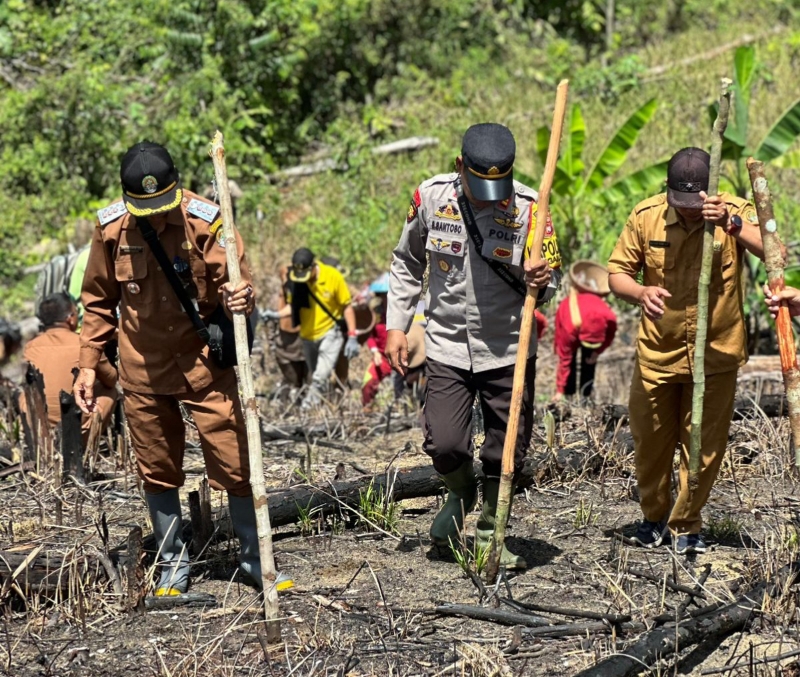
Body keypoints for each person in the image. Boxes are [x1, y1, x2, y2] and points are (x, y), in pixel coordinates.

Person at [74, 141, 261, 596]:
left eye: (162, 204)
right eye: (145, 207)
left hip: (201, 360)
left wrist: (241, 297)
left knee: (235, 460)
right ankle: (172, 565)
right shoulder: (111, 228)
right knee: (156, 467)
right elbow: (98, 303)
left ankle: (256, 560)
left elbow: (237, 282)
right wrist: (86, 366)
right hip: (142, 365)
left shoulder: (206, 218)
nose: (155, 216)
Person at [386, 122, 562, 569]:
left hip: (508, 349)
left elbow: (551, 282)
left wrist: (541, 278)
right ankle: (460, 493)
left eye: (497, 184)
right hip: (446, 343)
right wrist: (396, 327)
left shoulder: (531, 208)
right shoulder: (431, 198)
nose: (490, 195)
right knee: (445, 444)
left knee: (508, 454)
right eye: (480, 183)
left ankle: (490, 529)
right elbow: (406, 263)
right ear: (460, 166)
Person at [607, 147, 764, 554]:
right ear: (668, 191)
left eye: (697, 205)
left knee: (703, 448)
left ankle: (686, 526)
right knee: (651, 442)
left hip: (715, 355)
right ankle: (653, 518)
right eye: (682, 204)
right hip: (658, 353)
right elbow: (616, 274)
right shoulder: (647, 216)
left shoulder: (735, 210)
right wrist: (641, 292)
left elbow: (773, 249)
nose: (691, 212)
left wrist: (729, 224)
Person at [262, 248, 359, 408]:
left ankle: (307, 408)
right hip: (307, 337)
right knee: (315, 376)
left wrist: (353, 336)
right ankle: (324, 409)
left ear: (314, 266)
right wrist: (275, 315)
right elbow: (294, 307)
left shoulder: (332, 276)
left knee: (320, 377)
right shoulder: (297, 280)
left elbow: (347, 307)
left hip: (330, 333)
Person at [23, 293, 118, 443]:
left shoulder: (30, 348)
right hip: (77, 430)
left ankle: (44, 442)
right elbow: (111, 380)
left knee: (24, 393)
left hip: (42, 433)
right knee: (110, 390)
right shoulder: (85, 345)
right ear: (70, 318)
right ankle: (87, 443)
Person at [553, 260, 617, 400]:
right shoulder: (569, 321)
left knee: (589, 361)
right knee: (569, 363)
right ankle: (567, 394)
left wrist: (596, 352)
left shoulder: (608, 316)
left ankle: (585, 397)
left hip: (583, 329)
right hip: (570, 327)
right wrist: (560, 389)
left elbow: (610, 335)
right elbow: (565, 357)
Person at [264, 264, 309, 400]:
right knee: (292, 382)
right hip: (285, 349)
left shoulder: (306, 294)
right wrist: (272, 345)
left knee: (308, 383)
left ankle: (306, 408)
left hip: (305, 347)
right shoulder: (276, 299)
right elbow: (270, 325)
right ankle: (288, 406)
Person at [361, 274, 391, 408]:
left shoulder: (408, 313)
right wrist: (375, 352)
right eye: (383, 295)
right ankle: (367, 411)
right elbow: (370, 336)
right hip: (382, 358)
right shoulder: (376, 314)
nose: (386, 298)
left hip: (402, 359)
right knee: (367, 384)